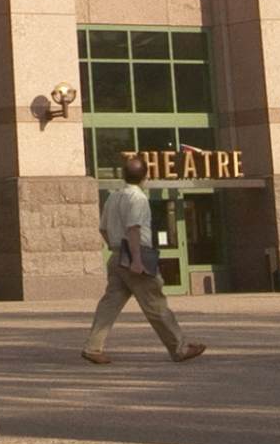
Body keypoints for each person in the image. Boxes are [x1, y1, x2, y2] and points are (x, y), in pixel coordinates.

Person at [83, 152, 209, 365]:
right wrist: (136, 260)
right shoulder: (138, 198)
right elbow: (133, 228)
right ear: (145, 176)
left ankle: (93, 347)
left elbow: (103, 229)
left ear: (124, 176)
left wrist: (116, 247)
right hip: (135, 255)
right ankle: (180, 348)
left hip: (116, 256)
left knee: (109, 304)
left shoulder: (114, 196)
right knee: (156, 304)